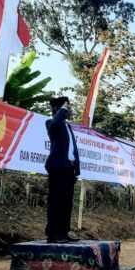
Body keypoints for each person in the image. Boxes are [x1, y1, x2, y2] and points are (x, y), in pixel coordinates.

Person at [44, 97, 80, 244]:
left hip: (68, 168)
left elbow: (72, 149)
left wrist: (76, 169)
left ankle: (63, 232)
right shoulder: (51, 123)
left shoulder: (67, 126)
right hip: (57, 168)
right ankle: (53, 234)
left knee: (66, 203)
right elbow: (55, 123)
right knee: (56, 201)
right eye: (66, 107)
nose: (69, 110)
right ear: (58, 110)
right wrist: (62, 109)